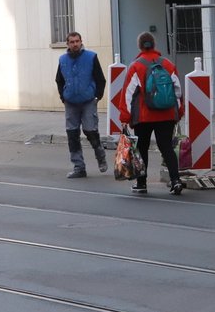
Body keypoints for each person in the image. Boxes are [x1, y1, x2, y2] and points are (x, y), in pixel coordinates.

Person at [116, 32, 185, 195]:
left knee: (142, 148)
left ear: (140, 46)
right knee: (166, 147)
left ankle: (141, 183)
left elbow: (128, 94)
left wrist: (125, 117)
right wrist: (179, 112)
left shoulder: (136, 66)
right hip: (166, 114)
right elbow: (178, 91)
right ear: (154, 44)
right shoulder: (167, 64)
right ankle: (175, 181)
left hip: (144, 116)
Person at [55, 31, 108, 178]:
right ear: (68, 44)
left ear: (81, 41)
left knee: (90, 130)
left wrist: (97, 96)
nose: (75, 44)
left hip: (88, 100)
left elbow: (100, 79)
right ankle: (79, 167)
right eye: (72, 42)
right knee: (72, 134)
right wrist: (63, 97)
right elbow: (59, 80)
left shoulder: (91, 57)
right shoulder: (62, 59)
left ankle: (100, 156)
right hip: (70, 102)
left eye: (77, 41)